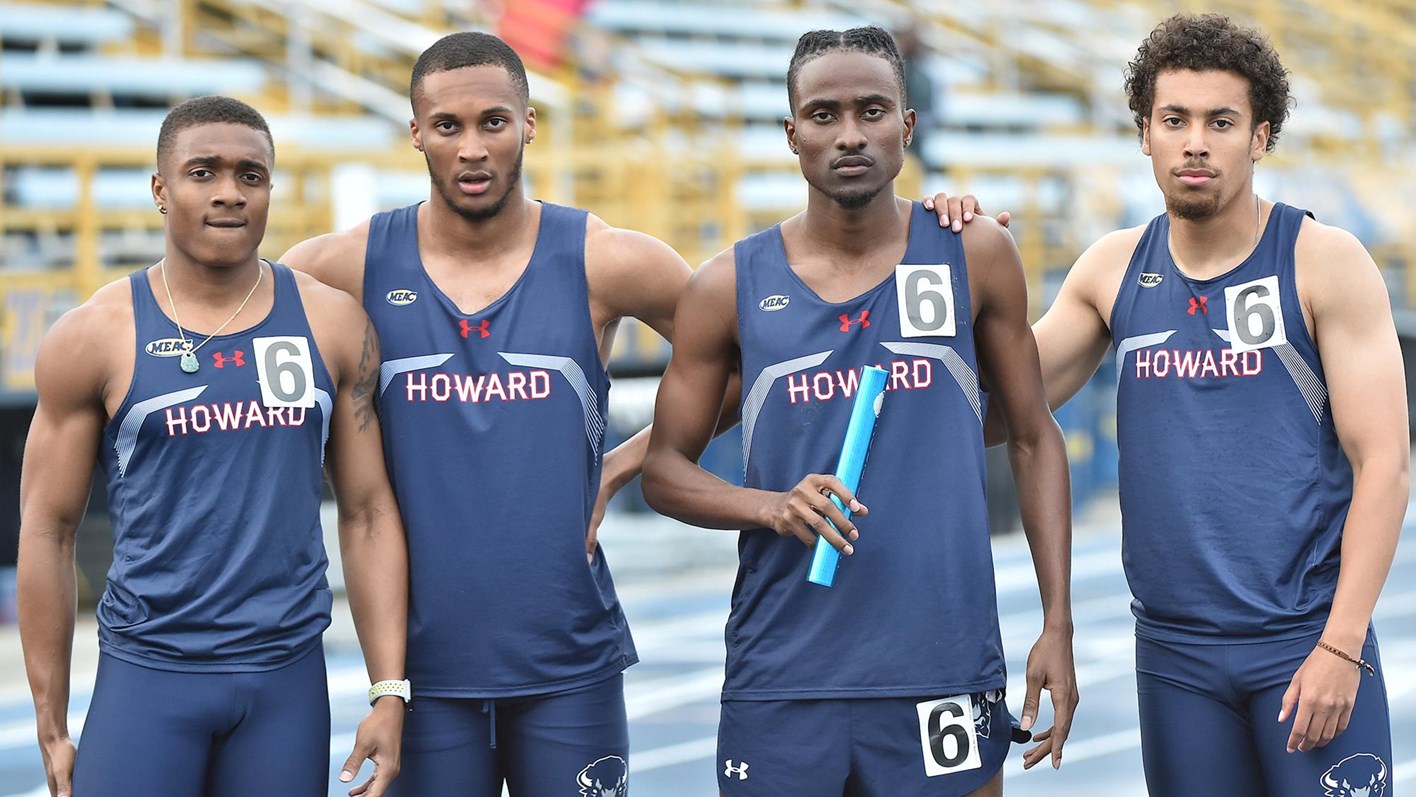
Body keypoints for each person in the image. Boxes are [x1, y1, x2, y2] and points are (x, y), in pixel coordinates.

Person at [933, 12, 1406, 795]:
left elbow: (1384, 462)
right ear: (1145, 134)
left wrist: (1342, 642)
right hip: (1176, 660)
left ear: (1259, 137)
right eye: (1175, 120)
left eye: (1221, 121)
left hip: (1303, 640)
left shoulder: (1323, 263)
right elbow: (991, 412)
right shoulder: (1111, 269)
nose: (1195, 143)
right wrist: (958, 270)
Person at [641, 26, 1077, 796]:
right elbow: (664, 470)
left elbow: (1034, 437)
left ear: (906, 126)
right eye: (824, 114)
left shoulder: (974, 252)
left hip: (943, 662)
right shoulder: (725, 285)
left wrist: (1058, 622)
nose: (849, 133)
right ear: (792, 134)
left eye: (872, 111)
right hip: (784, 671)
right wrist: (771, 505)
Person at [279, 31, 718, 796]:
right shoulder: (345, 266)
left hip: (568, 655)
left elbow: (741, 362)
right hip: (421, 672)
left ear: (530, 123)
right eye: (448, 126)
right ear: (416, 132)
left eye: (494, 122)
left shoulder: (605, 259)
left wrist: (627, 462)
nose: (473, 147)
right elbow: (229, 325)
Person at [17, 96, 410, 797]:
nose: (230, 192)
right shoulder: (94, 334)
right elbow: (49, 529)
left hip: (285, 680)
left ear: (269, 188)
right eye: (203, 172)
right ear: (161, 189)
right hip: (149, 675)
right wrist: (50, 721)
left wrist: (389, 688)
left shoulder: (332, 322)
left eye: (250, 175)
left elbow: (369, 510)